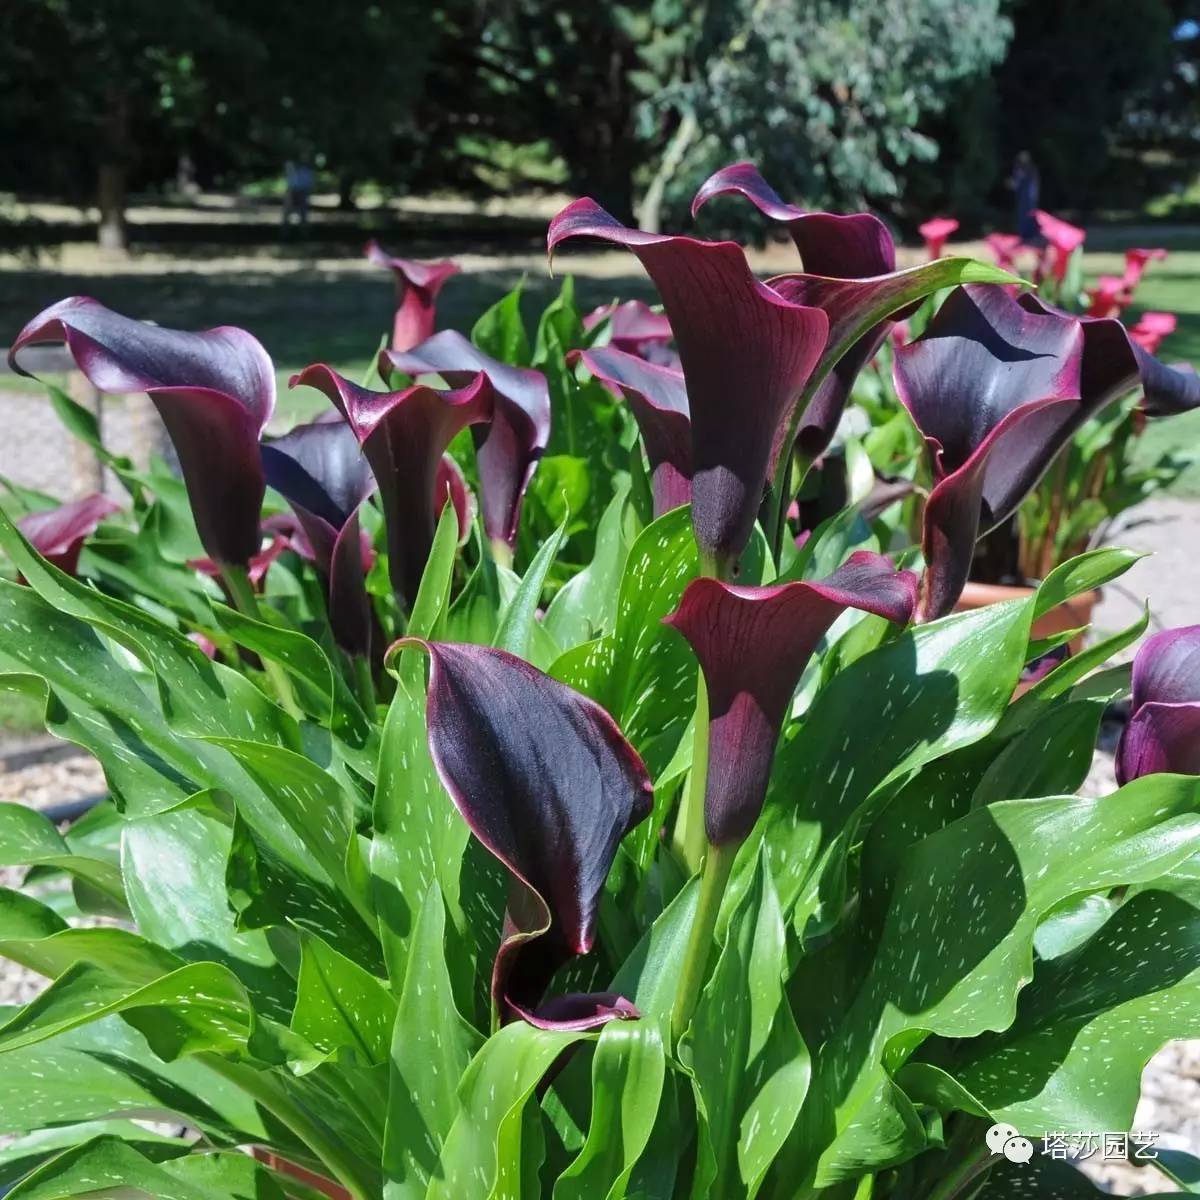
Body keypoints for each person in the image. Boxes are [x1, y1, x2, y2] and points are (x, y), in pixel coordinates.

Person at [1011, 151, 1040, 240]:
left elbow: (1034, 183)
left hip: (1029, 196)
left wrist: (1034, 194)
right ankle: (1023, 234)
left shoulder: (1031, 168)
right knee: (1022, 215)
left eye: (1025, 156)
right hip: (1022, 196)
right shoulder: (1018, 168)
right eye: (1022, 156)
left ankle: (1032, 234)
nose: (1023, 158)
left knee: (1030, 214)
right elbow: (1016, 183)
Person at [282, 160, 315, 228]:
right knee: (288, 212)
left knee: (303, 212)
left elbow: (309, 184)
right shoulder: (291, 168)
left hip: (301, 192)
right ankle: (286, 228)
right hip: (293, 192)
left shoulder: (306, 171)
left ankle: (303, 227)